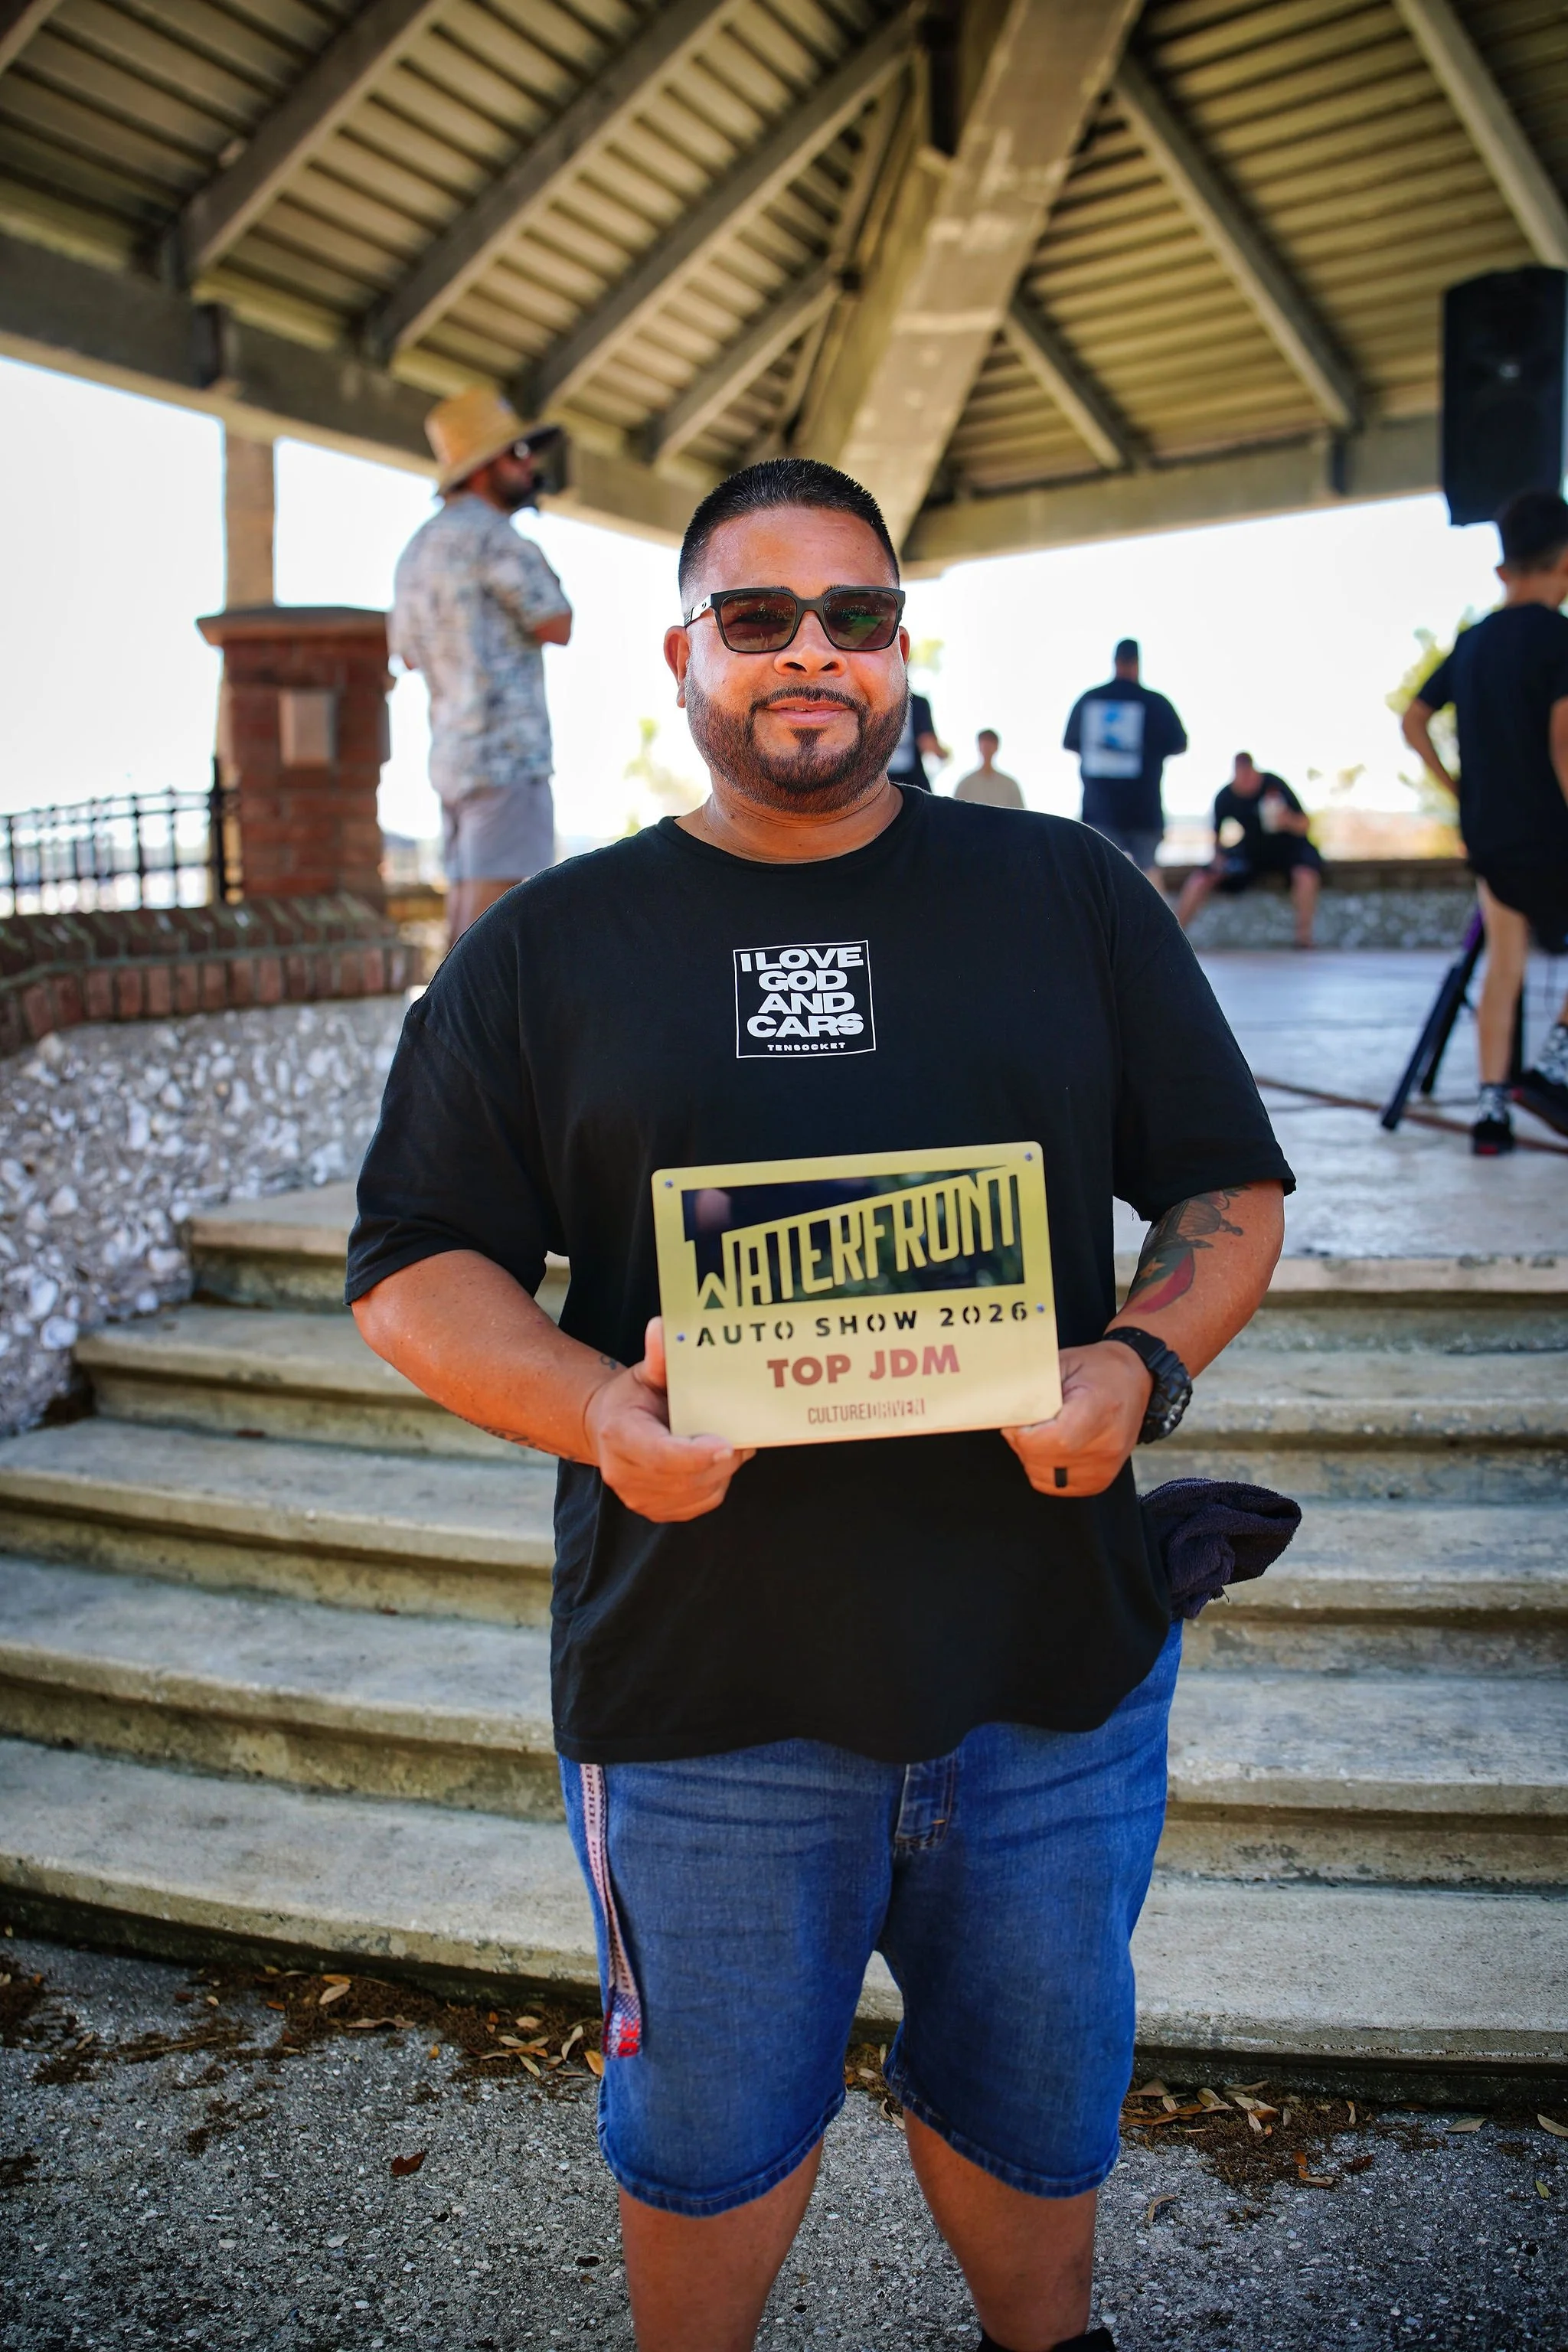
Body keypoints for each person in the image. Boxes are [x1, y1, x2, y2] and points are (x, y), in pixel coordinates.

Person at [346, 456, 1292, 2352]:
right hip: (705, 1691)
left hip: (1047, 1671)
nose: (810, 652)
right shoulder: (552, 942)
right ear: (681, 647)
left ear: (898, 646)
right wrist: (599, 1407)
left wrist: (1140, 1358)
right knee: (701, 2139)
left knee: (1036, 2118)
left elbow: (1224, 1190)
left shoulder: (1065, 894)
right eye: (757, 613)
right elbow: (413, 1264)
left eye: (852, 614)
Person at [1402, 487, 1568, 1154]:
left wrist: (1459, 791)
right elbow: (1563, 745)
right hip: (1553, 835)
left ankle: (1491, 1114)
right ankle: (1554, 1068)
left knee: (1504, 967)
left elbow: (1413, 720)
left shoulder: (1472, 643)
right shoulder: (1559, 638)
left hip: (1493, 839)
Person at [391, 387, 573, 946]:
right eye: (516, 454)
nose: (529, 466)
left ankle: (450, 1028)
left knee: (465, 915)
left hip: (451, 759)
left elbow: (407, 653)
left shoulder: (416, 552)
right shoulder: (496, 539)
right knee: (499, 926)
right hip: (507, 756)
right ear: (479, 469)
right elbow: (557, 623)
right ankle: (462, 1034)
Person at [1063, 639, 1187, 878]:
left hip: (1100, 810)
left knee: (1098, 878)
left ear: (1115, 662)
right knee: (1149, 877)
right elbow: (1179, 744)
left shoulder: (1090, 700)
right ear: (1138, 663)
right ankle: (1158, 918)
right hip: (1142, 810)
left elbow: (1071, 743)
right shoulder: (1156, 703)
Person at [1174, 753, 1325, 949]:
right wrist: (1218, 862)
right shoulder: (1226, 796)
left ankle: (1304, 938)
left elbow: (1304, 824)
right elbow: (1216, 840)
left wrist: (1286, 820)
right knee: (1201, 878)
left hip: (1289, 848)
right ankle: (1174, 935)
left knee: (1305, 874)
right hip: (1252, 852)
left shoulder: (1274, 785)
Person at [887, 680, 948, 789]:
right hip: (878, 780)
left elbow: (928, 741)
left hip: (914, 779)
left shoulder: (919, 704)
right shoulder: (870, 703)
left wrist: (940, 753)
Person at [953, 727, 1024, 808]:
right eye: (984, 745)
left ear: (996, 747)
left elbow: (1021, 816)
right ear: (979, 747)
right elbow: (954, 813)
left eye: (990, 745)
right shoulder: (966, 783)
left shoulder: (1010, 785)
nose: (987, 749)